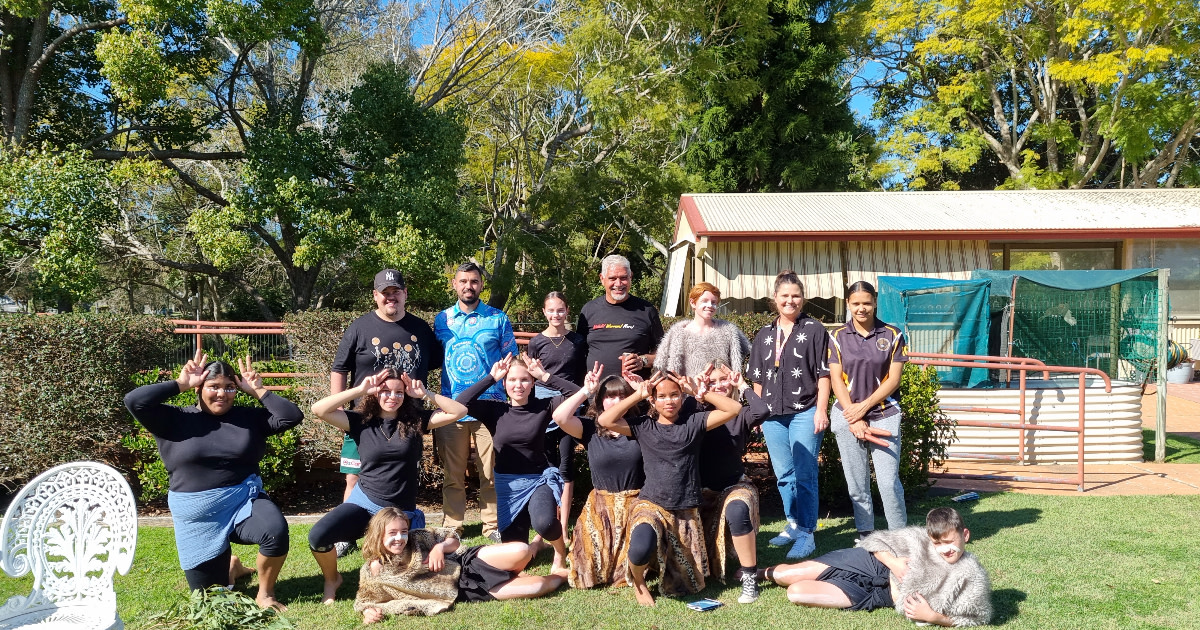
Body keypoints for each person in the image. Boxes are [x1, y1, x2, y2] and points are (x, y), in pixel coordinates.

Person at [124, 351, 302, 610]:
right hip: (197, 515)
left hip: (242, 500)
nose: (222, 394)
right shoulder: (174, 419)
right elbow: (134, 401)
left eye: (229, 388)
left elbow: (291, 416)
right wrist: (181, 384)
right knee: (212, 602)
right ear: (199, 388)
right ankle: (232, 568)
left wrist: (258, 391)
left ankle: (265, 594)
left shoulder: (249, 418)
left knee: (274, 531)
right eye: (214, 386)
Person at [308, 367, 468, 603]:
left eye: (399, 392)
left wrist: (425, 393)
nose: (392, 397)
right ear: (375, 393)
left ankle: (379, 559)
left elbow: (459, 411)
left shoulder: (416, 422)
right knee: (318, 537)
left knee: (410, 573)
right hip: (365, 502)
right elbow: (318, 409)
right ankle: (332, 579)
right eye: (385, 391)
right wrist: (359, 390)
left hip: (400, 513)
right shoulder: (360, 422)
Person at [597, 371, 742, 606]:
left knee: (685, 585)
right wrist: (638, 395)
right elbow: (605, 421)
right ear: (653, 401)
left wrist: (696, 392)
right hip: (651, 504)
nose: (669, 401)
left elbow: (733, 409)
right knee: (641, 548)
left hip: (685, 509)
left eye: (674, 395)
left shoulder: (693, 423)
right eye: (662, 396)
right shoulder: (644, 426)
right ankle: (638, 581)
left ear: (681, 398)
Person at [331, 268, 442, 557]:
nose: (391, 297)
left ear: (405, 295)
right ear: (375, 296)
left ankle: (395, 531)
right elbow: (340, 367)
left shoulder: (420, 328)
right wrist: (338, 403)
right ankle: (347, 536)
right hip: (364, 419)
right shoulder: (360, 327)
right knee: (354, 477)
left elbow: (437, 365)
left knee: (400, 477)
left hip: (407, 419)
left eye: (396, 292)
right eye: (385, 293)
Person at [455, 354, 587, 575]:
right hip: (508, 485)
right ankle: (535, 545)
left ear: (533, 383)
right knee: (516, 556)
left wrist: (545, 375)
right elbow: (460, 403)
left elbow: (577, 393)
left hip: (538, 479)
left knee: (544, 523)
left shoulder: (544, 406)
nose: (519, 385)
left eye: (525, 380)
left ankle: (560, 553)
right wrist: (490, 377)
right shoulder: (495, 410)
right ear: (504, 383)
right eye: (513, 380)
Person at [762, 507, 992, 626]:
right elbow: (873, 541)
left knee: (796, 592)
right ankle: (757, 573)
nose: (945, 549)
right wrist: (893, 562)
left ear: (965, 535)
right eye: (938, 543)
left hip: (878, 595)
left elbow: (977, 617)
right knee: (786, 574)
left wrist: (933, 617)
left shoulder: (971, 576)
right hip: (869, 563)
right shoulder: (919, 538)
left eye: (951, 541)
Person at [747, 270, 831, 560]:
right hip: (771, 415)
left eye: (795, 295)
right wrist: (756, 413)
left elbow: (824, 373)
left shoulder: (815, 330)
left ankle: (808, 533)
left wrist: (822, 409)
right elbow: (756, 376)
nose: (790, 300)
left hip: (805, 411)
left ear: (802, 298)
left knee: (805, 474)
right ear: (775, 299)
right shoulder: (765, 334)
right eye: (785, 296)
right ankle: (793, 523)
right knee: (784, 475)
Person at [354, 507, 565, 621]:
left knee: (522, 550)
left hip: (466, 561)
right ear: (378, 534)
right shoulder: (373, 569)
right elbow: (366, 600)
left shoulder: (417, 537)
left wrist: (439, 548)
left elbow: (453, 539)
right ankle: (566, 574)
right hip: (466, 587)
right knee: (539, 586)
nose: (400, 538)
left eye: (402, 531)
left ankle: (534, 547)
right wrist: (368, 612)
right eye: (392, 533)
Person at [434, 262, 518, 540]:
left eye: (474, 281)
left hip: (491, 407)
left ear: (481, 285)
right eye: (463, 281)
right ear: (455, 285)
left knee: (491, 472)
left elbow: (510, 362)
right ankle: (452, 527)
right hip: (451, 408)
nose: (468, 286)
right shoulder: (442, 319)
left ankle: (492, 526)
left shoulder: (497, 319)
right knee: (453, 474)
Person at [828, 281, 910, 539]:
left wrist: (863, 407)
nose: (861, 308)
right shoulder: (837, 336)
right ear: (848, 305)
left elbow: (893, 380)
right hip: (847, 415)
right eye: (855, 303)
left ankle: (900, 537)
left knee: (888, 483)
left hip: (885, 414)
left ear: (875, 302)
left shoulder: (892, 334)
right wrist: (852, 415)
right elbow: (835, 379)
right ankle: (866, 535)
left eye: (866, 302)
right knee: (857, 484)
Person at [551, 372, 645, 589]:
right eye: (610, 396)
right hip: (601, 507)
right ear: (601, 400)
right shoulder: (590, 428)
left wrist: (642, 393)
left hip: (636, 505)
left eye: (623, 396)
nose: (617, 401)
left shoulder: (640, 426)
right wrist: (586, 391)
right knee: (589, 573)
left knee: (630, 565)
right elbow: (560, 417)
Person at [694, 361, 771, 603]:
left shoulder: (740, 413)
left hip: (733, 484)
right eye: (713, 381)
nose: (718, 385)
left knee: (738, 510)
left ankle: (750, 578)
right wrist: (698, 393)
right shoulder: (698, 412)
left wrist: (743, 385)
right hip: (698, 488)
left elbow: (762, 411)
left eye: (723, 380)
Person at [525, 290, 587, 540]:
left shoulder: (578, 340)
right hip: (543, 408)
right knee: (546, 464)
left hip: (570, 404)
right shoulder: (537, 342)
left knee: (565, 464)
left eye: (560, 310)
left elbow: (582, 377)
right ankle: (546, 524)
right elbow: (531, 378)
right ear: (544, 312)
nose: (556, 315)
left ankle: (562, 526)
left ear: (567, 311)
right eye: (551, 310)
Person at [577, 254, 664, 380]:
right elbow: (579, 352)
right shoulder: (588, 310)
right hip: (596, 393)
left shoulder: (646, 310)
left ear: (631, 277)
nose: (618, 284)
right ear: (602, 279)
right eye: (612, 278)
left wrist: (643, 361)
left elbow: (663, 352)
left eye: (623, 278)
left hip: (635, 393)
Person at [654, 282, 750, 378]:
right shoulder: (677, 333)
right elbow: (661, 364)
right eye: (704, 301)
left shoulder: (728, 331)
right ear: (692, 302)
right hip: (689, 391)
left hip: (721, 390)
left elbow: (751, 354)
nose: (710, 305)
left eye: (714, 302)